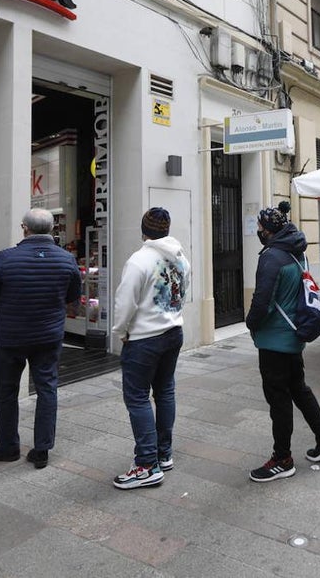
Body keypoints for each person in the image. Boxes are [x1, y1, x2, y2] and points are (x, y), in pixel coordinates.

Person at [0, 208, 82, 468]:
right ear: (52, 229)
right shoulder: (66, 259)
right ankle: (42, 449)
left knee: (6, 391)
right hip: (48, 337)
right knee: (47, 389)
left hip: (11, 337)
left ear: (25, 228)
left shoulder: (6, 258)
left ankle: (7, 447)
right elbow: (73, 298)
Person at [246, 206, 320, 482]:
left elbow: (262, 301)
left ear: (267, 230)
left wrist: (251, 323)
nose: (258, 231)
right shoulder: (297, 250)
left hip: (275, 340)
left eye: (260, 228)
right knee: (299, 389)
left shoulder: (271, 257)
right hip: (294, 336)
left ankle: (282, 459)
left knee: (279, 399)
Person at [111, 208, 190, 490]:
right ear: (166, 230)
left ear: (143, 230)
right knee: (165, 391)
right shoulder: (181, 258)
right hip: (173, 331)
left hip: (144, 338)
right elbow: (182, 293)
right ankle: (163, 453)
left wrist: (120, 332)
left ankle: (146, 465)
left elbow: (125, 302)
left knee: (137, 398)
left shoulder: (138, 260)